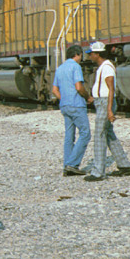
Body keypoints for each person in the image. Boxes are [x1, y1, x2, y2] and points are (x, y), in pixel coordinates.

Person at [84, 41, 130, 181]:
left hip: (106, 103)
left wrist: (109, 110)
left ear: (97, 54)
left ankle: (98, 171)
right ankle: (125, 165)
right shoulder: (103, 67)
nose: (90, 56)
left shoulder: (107, 68)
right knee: (108, 134)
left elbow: (111, 89)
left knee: (99, 135)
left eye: (91, 54)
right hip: (102, 103)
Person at [51, 45, 92, 176]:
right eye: (81, 56)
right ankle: (72, 164)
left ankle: (66, 166)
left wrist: (64, 99)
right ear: (78, 55)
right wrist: (88, 97)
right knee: (85, 133)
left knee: (69, 137)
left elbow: (54, 90)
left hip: (65, 106)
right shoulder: (76, 66)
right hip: (77, 105)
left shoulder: (60, 68)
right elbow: (79, 87)